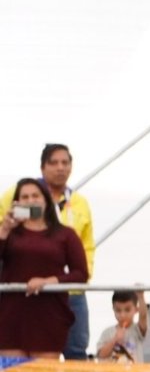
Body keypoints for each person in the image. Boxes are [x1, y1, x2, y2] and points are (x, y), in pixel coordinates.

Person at [0, 144, 95, 360]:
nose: (31, 201)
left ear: (45, 200)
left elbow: (82, 271)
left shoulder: (67, 231)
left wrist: (51, 281)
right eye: (25, 198)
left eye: (36, 196)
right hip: (12, 314)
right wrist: (5, 228)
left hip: (51, 311)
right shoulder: (11, 232)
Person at [97, 290, 150, 364]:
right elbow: (101, 355)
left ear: (136, 310)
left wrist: (140, 296)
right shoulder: (107, 332)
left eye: (127, 310)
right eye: (118, 310)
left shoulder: (137, 330)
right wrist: (115, 340)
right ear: (113, 309)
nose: (123, 315)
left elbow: (143, 317)